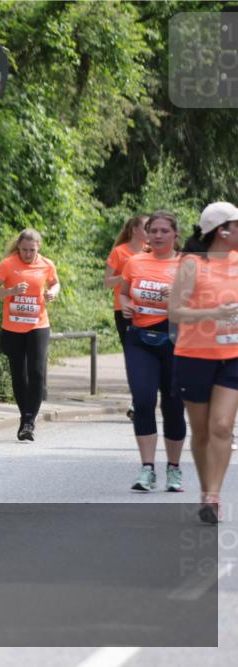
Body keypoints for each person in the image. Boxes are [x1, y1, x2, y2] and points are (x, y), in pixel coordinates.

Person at [169, 201, 238, 524]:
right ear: (222, 230)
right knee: (201, 432)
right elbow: (175, 312)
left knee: (222, 426)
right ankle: (205, 489)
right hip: (194, 355)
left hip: (232, 357)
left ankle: (213, 496)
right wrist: (213, 313)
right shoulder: (192, 264)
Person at [118, 211, 185, 493]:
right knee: (143, 401)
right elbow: (123, 292)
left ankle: (173, 468)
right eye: (153, 230)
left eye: (163, 231)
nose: (157, 236)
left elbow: (202, 303)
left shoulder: (186, 265)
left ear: (174, 235)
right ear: (146, 234)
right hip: (140, 340)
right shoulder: (135, 262)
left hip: (175, 341)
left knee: (173, 406)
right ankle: (147, 469)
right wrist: (125, 305)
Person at [0, 229, 60, 441]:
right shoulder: (7, 265)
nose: (28, 254)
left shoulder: (47, 264)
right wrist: (11, 292)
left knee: (37, 371)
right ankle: (24, 415)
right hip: (12, 327)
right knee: (19, 374)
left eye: (32, 250)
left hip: (38, 325)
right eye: (24, 250)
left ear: (39, 247)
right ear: (18, 247)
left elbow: (55, 282)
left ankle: (29, 420)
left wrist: (52, 292)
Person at [105, 215, 149, 421]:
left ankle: (141, 399)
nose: (151, 231)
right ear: (134, 230)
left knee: (150, 356)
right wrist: (127, 277)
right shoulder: (119, 252)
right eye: (146, 227)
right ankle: (136, 400)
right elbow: (107, 281)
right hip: (124, 310)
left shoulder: (152, 252)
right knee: (133, 356)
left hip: (149, 310)